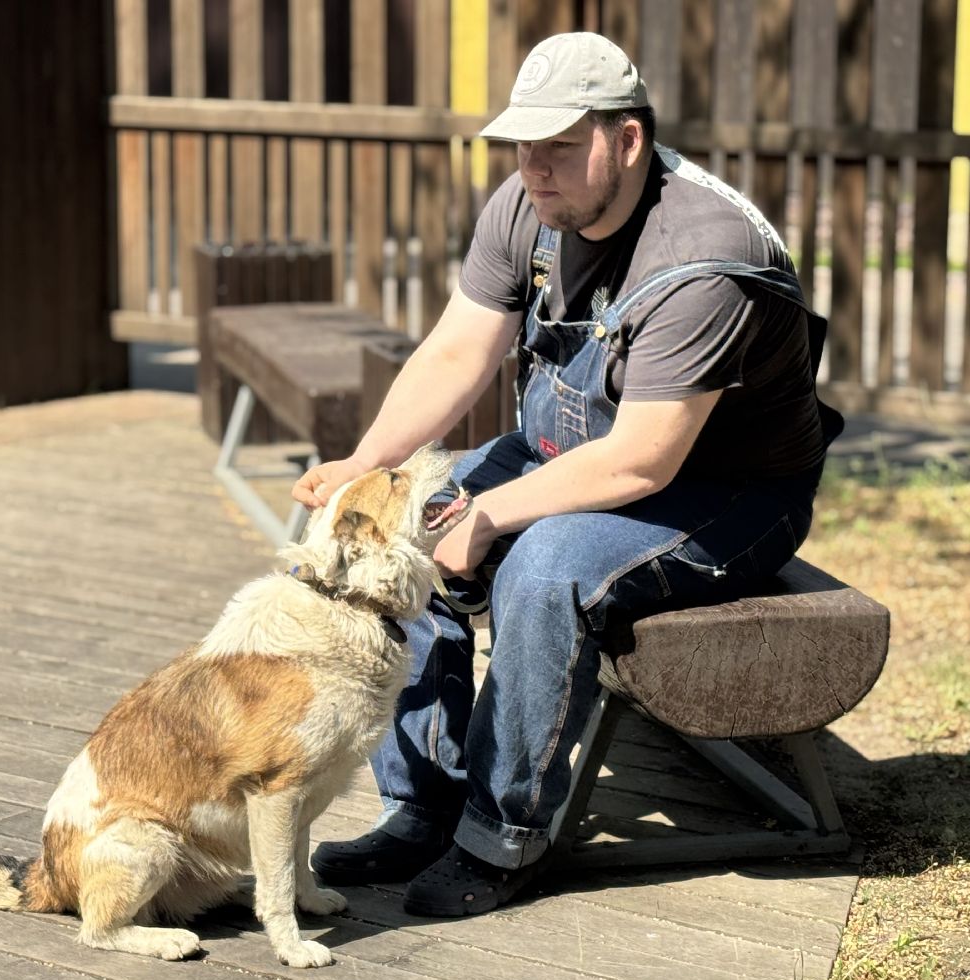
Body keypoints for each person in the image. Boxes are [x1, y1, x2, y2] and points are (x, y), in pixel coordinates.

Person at [290, 32, 842, 917]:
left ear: (627, 140)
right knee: (418, 517)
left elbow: (644, 457)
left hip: (726, 495)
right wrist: (368, 462)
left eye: (560, 147)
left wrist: (493, 514)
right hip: (575, 455)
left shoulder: (703, 255)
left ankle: (502, 841)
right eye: (523, 145)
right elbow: (457, 350)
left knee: (545, 569)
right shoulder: (527, 208)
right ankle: (422, 807)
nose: (535, 170)